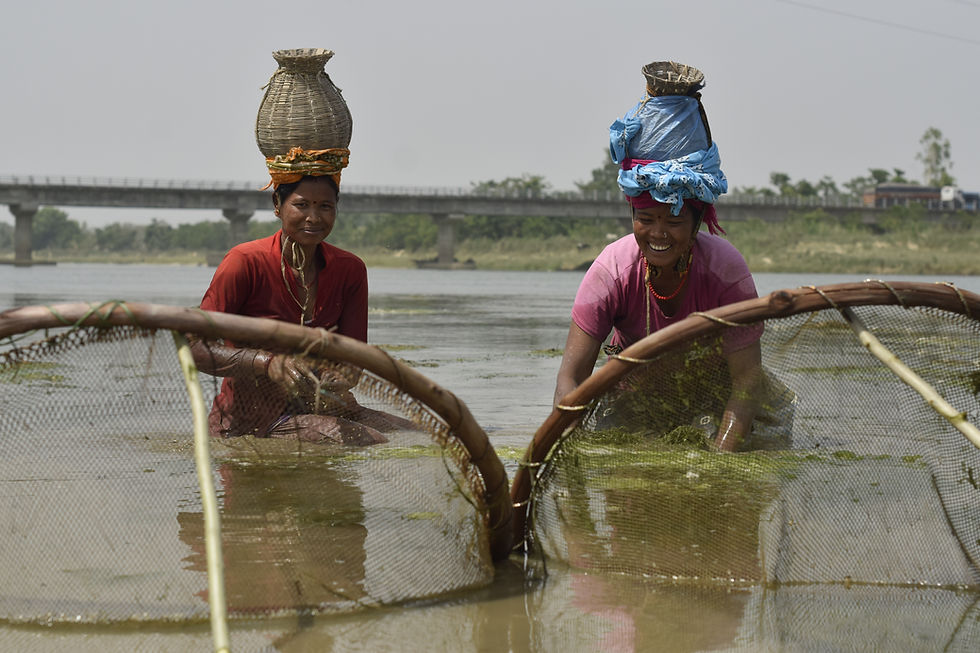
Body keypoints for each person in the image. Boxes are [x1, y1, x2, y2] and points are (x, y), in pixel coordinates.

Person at [553, 61, 770, 452]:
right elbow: (571, 380)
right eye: (645, 219)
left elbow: (746, 382)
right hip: (636, 399)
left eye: (672, 220)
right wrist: (563, 451)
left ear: (697, 220)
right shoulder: (611, 272)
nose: (657, 234)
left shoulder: (725, 271)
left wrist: (720, 461)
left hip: (714, 398)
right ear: (632, 216)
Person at [194, 172, 406, 445]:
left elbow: (355, 355)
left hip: (326, 407)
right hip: (254, 420)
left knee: (421, 434)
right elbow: (196, 347)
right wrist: (267, 364)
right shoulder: (244, 262)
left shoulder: (350, 269)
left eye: (325, 207)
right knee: (366, 439)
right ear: (277, 204)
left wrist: (344, 376)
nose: (314, 217)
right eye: (302, 205)